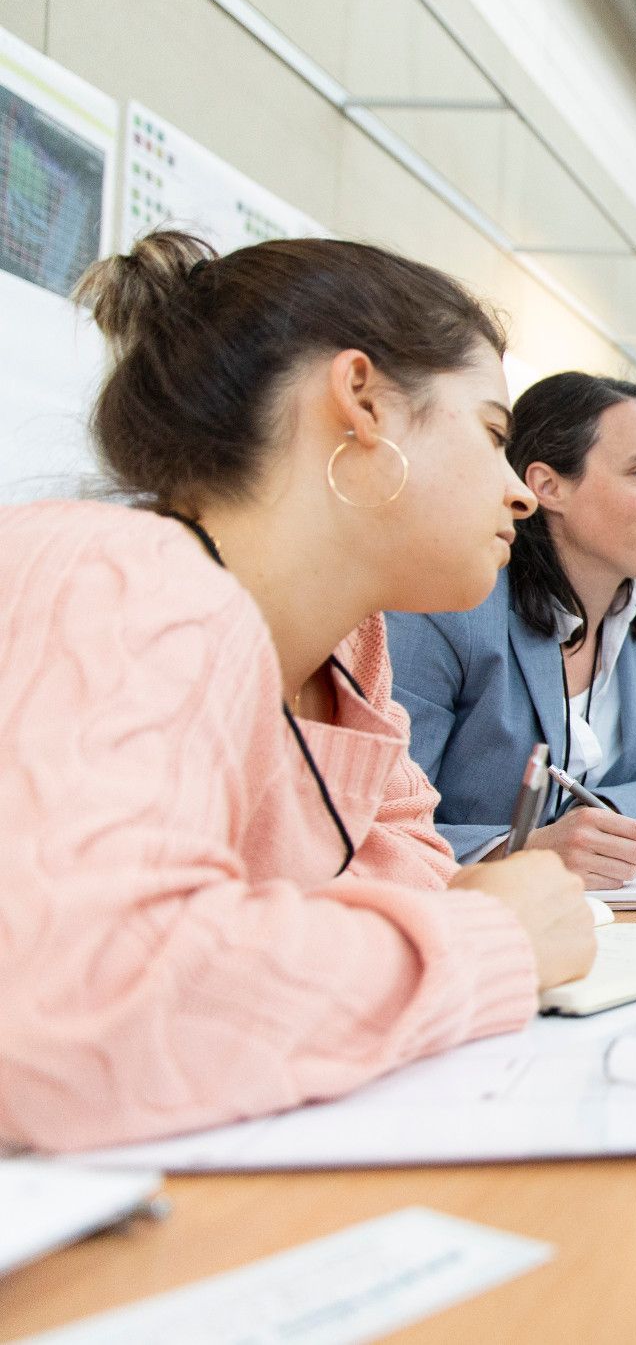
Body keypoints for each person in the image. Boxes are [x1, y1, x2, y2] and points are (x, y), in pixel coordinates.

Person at [0, 231, 592, 1152]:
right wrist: (493, 943)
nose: (522, 493)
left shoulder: (348, 651)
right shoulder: (126, 580)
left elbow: (404, 889)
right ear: (362, 400)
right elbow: (82, 1008)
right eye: (490, 433)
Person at [389, 372, 636, 888]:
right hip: (470, 924)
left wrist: (605, 820)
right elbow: (376, 825)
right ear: (548, 486)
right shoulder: (448, 611)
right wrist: (518, 850)